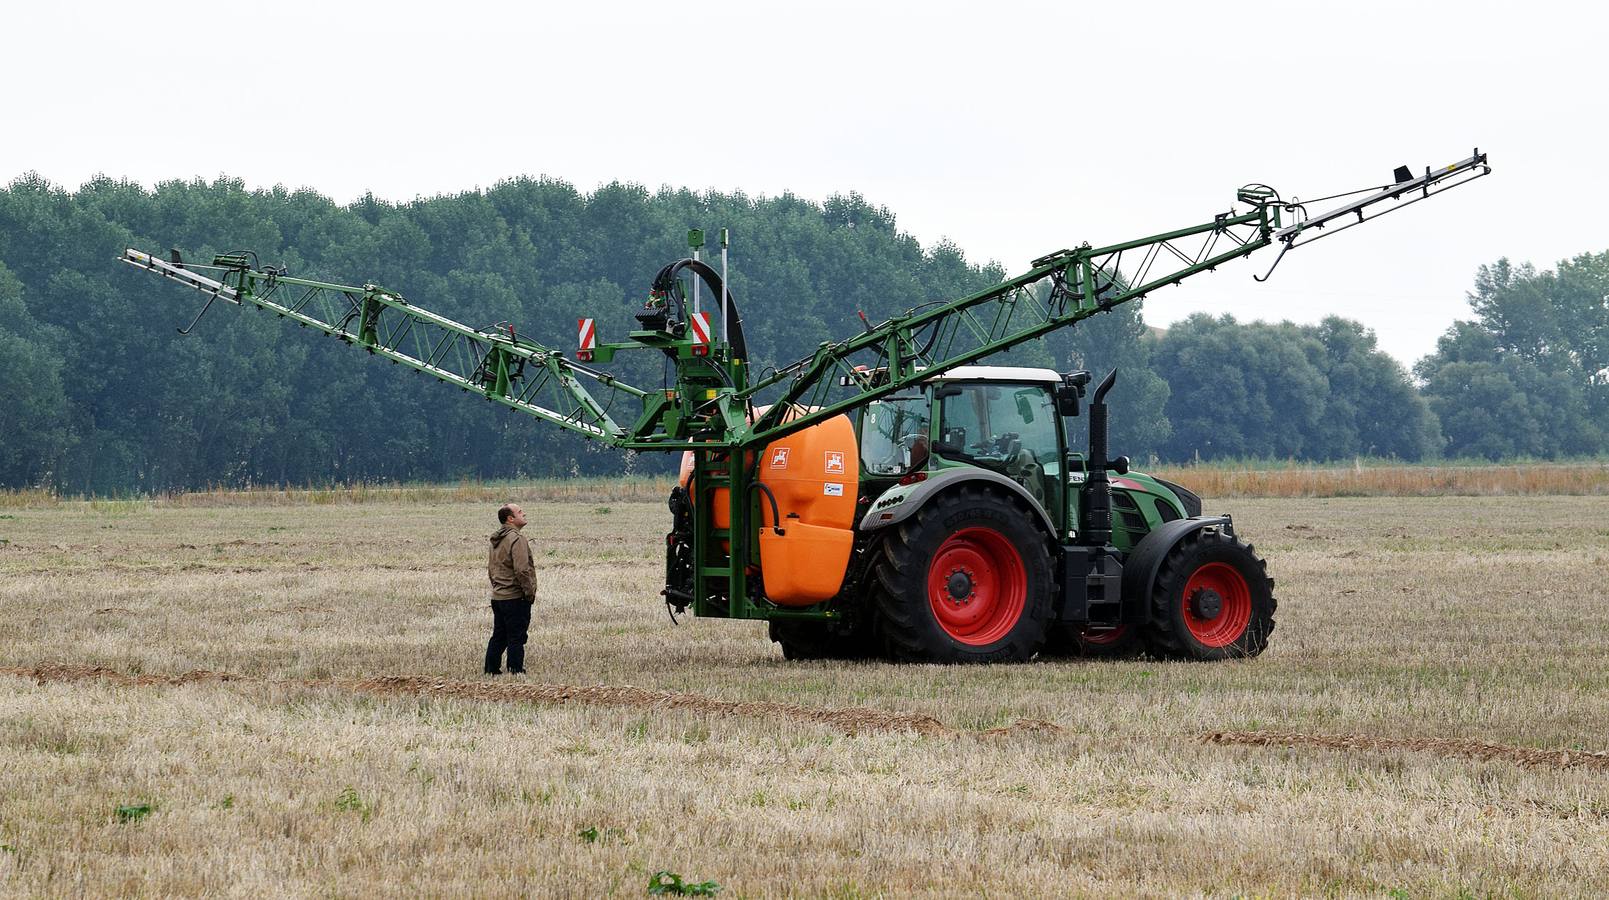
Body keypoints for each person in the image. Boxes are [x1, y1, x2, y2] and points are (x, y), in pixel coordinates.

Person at [485, 502, 536, 674]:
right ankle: (515, 670)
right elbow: (522, 570)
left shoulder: (496, 540)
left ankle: (491, 669)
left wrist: (497, 587)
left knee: (499, 635)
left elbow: (491, 569)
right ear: (510, 519)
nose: (524, 513)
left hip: (498, 596)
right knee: (516, 636)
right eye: (520, 512)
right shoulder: (517, 539)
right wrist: (529, 592)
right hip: (514, 597)